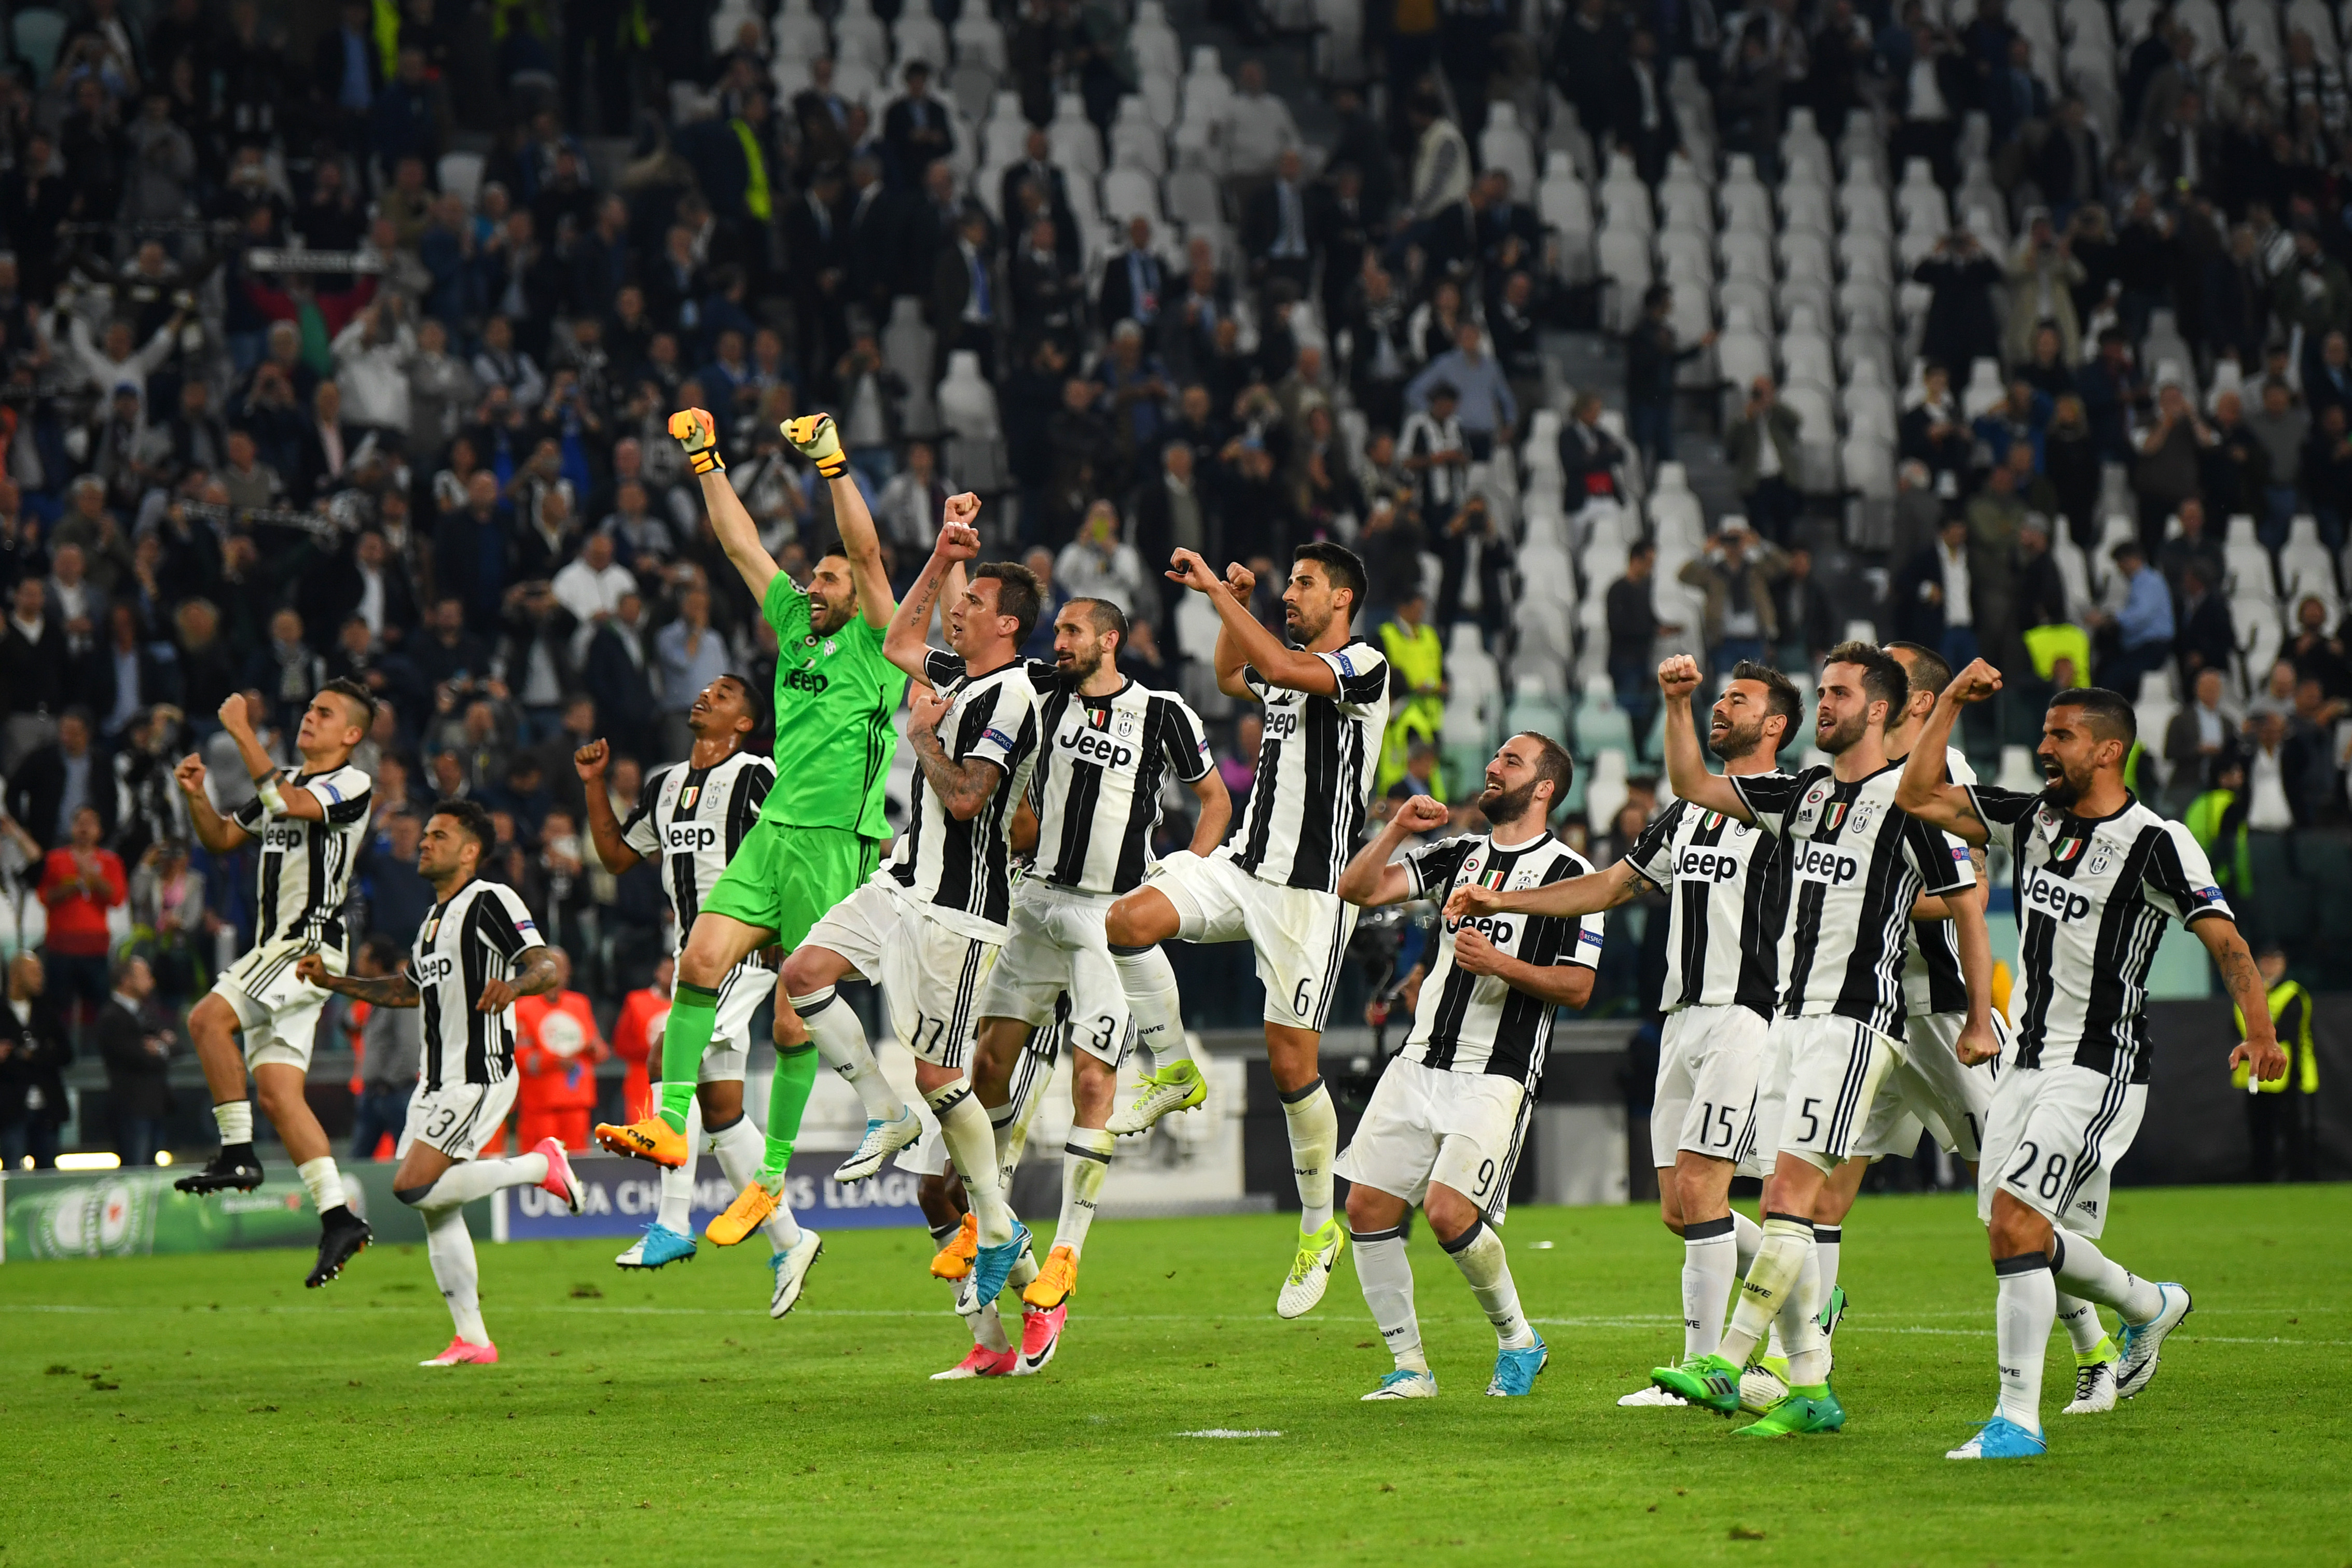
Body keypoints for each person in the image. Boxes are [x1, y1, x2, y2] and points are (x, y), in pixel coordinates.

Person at [1895, 664, 2284, 1458]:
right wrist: (1948, 708)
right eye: (2042, 732)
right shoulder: (2034, 820)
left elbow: (2226, 941)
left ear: (2108, 751)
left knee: (2015, 1227)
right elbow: (1917, 794)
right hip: (2025, 1062)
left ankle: (2016, 1420)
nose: (2043, 747)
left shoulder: (2157, 842)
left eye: (2060, 736)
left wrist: (2260, 1029)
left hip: (2098, 1067)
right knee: (2019, 1235)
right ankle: (2145, 1302)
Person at [590, 410, 905, 1283]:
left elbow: (870, 557)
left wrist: (832, 466)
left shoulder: (881, 645)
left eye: (826, 576)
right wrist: (704, 460)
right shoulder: (796, 628)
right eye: (811, 575)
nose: (813, 582)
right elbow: (740, 547)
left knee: (794, 1009)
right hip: (772, 839)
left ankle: (777, 1171)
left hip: (836, 841)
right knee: (697, 961)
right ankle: (670, 1117)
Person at [1649, 642, 1987, 1436]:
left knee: (1786, 1198)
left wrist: (1976, 1016)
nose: (1823, 704)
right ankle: (1809, 1388)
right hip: (1789, 1022)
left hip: (1854, 1022)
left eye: (1837, 693)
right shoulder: (1801, 794)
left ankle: (1726, 1358)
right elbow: (1692, 783)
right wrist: (1676, 706)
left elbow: (1965, 903)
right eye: (1821, 691)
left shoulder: (1911, 800)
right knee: (1785, 1211)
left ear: (1877, 709)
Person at [1448, 671, 1799, 1405]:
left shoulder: (1788, 801)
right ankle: (1802, 1295)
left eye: (1739, 700)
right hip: (1681, 1017)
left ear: (1774, 726)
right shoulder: (1683, 816)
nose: (1723, 706)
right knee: (1679, 1208)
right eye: (1719, 697)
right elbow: (1609, 885)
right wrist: (1499, 894)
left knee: (1705, 1185)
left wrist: (1672, 702)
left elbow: (1692, 776)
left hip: (1747, 1011)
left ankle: (1702, 1369)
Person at [776, 517, 1051, 1373]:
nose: (956, 612)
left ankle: (1009, 1247)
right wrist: (942, 554)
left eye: (971, 601)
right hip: (904, 881)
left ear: (1007, 622)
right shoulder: (953, 675)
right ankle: (881, 1110)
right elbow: (898, 635)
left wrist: (922, 736)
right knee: (803, 973)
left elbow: (971, 800)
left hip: (961, 910)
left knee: (941, 1080)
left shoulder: (1009, 697)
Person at [1105, 542, 1391, 1317]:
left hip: (1306, 895)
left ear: (1341, 598)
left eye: (1303, 585)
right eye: (1289, 583)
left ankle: (1314, 1227)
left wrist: (1217, 595)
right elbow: (1236, 675)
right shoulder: (1287, 660)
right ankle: (1174, 1068)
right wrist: (1227, 601)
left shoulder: (1363, 664)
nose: (1291, 594)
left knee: (1291, 1068)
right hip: (1243, 864)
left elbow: (1288, 670)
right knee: (1127, 920)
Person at [964, 595, 1231, 1374]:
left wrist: (1178, 882)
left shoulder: (1163, 712)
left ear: (1109, 639)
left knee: (1092, 1081)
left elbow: (1213, 800)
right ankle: (995, 1225)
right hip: (1033, 904)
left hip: (1105, 916)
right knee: (985, 1071)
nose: (1061, 642)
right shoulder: (1040, 694)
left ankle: (1063, 1261)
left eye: (1072, 631)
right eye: (1057, 633)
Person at [1333, 734, 1600, 1400]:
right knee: (1366, 1206)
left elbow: (1578, 987)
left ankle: (1519, 1341)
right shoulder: (1459, 852)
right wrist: (1396, 824)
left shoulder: (1573, 876)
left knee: (1450, 1212)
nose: (1492, 766)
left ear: (1544, 787)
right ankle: (1410, 1368)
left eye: (1511, 761)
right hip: (1420, 1058)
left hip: (1497, 1070)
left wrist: (1500, 964)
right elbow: (1358, 888)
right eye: (1495, 757)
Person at [296, 799, 585, 1366]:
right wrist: (332, 980)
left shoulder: (490, 899)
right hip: (436, 1080)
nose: (424, 842)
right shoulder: (431, 923)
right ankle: (473, 1339)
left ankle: (540, 1165)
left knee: (411, 1185)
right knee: (436, 1208)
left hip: (479, 1072)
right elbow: (406, 992)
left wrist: (518, 985)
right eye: (424, 835)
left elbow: (545, 963)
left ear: (470, 850)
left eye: (438, 835)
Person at [579, 676, 817, 1310]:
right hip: (691, 953)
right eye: (706, 690)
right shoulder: (662, 785)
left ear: (744, 721)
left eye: (726, 693)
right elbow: (616, 856)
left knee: (664, 1056)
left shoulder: (758, 774)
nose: (707, 696)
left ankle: (673, 1221)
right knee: (720, 1110)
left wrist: (787, 929)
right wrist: (593, 784)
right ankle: (791, 1239)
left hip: (743, 948)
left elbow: (798, 849)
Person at [171, 683, 378, 1290]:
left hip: (302, 946)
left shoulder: (350, 783)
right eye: (309, 708)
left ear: (351, 736)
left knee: (206, 1020)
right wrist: (196, 795)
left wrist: (241, 732)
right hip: (279, 952)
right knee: (280, 1096)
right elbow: (223, 838)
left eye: (325, 713)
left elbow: (287, 806)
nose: (310, 718)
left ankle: (237, 1152)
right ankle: (339, 1216)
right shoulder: (283, 778)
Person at [2232, 947, 2320, 1182]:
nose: (2270, 966)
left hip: (2290, 1073)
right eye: (2266, 960)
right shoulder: (2248, 993)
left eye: (2275, 961)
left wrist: (2259, 1036)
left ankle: (2302, 1181)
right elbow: (2234, 1029)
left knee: (2295, 1131)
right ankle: (2263, 1181)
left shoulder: (2292, 993)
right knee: (2260, 1131)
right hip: (2253, 1074)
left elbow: (2289, 1033)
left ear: (2284, 964)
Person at [35, 803, 126, 1031]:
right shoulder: (55, 860)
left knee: (97, 1010)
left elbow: (116, 899)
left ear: (100, 831)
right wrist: (74, 886)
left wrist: (93, 878)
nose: (84, 828)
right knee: (58, 1009)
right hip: (60, 946)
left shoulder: (111, 862)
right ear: (72, 828)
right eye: (80, 823)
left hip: (95, 948)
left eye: (90, 824)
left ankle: (94, 1058)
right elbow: (44, 897)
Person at [513, 947, 606, 1151]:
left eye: (563, 969)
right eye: (553, 969)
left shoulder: (579, 1004)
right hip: (540, 1104)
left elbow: (601, 1051)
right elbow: (520, 1057)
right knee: (541, 1163)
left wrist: (593, 1048)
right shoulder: (523, 1007)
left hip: (577, 1102)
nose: (559, 975)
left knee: (578, 1164)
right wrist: (554, 1061)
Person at [347, 934, 422, 1163]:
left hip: (395, 1094)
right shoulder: (378, 995)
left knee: (409, 1160)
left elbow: (410, 1048)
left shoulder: (399, 995)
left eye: (363, 959)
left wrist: (390, 1082)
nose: (357, 964)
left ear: (377, 964)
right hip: (374, 1094)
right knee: (358, 1160)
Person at [97, 954, 173, 1166]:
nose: (152, 981)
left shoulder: (147, 1012)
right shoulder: (111, 1016)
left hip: (156, 1104)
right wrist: (159, 1048)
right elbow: (131, 1056)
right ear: (126, 980)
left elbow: (176, 1046)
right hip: (130, 1106)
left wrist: (156, 1048)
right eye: (145, 975)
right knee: (136, 1170)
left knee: (153, 1171)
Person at [0, 952, 72, 1170]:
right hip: (10, 1109)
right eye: (33, 972)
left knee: (48, 1171)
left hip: (47, 1107)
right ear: (16, 975)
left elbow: (66, 1053)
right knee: (13, 1168)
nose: (40, 978)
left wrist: (26, 1055)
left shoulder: (47, 1010)